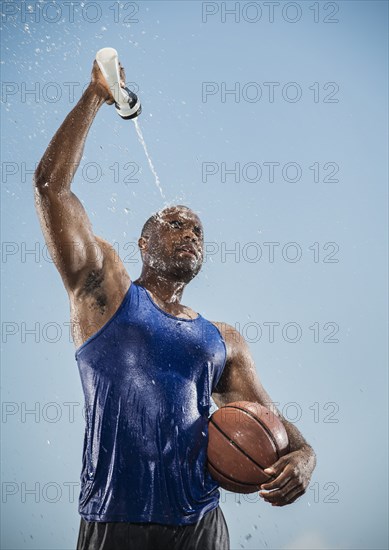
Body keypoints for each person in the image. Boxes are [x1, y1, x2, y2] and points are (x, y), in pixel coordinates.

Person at [33, 60, 316, 550]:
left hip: (201, 526)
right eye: (175, 223)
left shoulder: (223, 340)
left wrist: (305, 456)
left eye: (198, 230)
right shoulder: (105, 292)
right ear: (143, 242)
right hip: (112, 517)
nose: (190, 232)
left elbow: (272, 425)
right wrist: (96, 95)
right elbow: (50, 187)